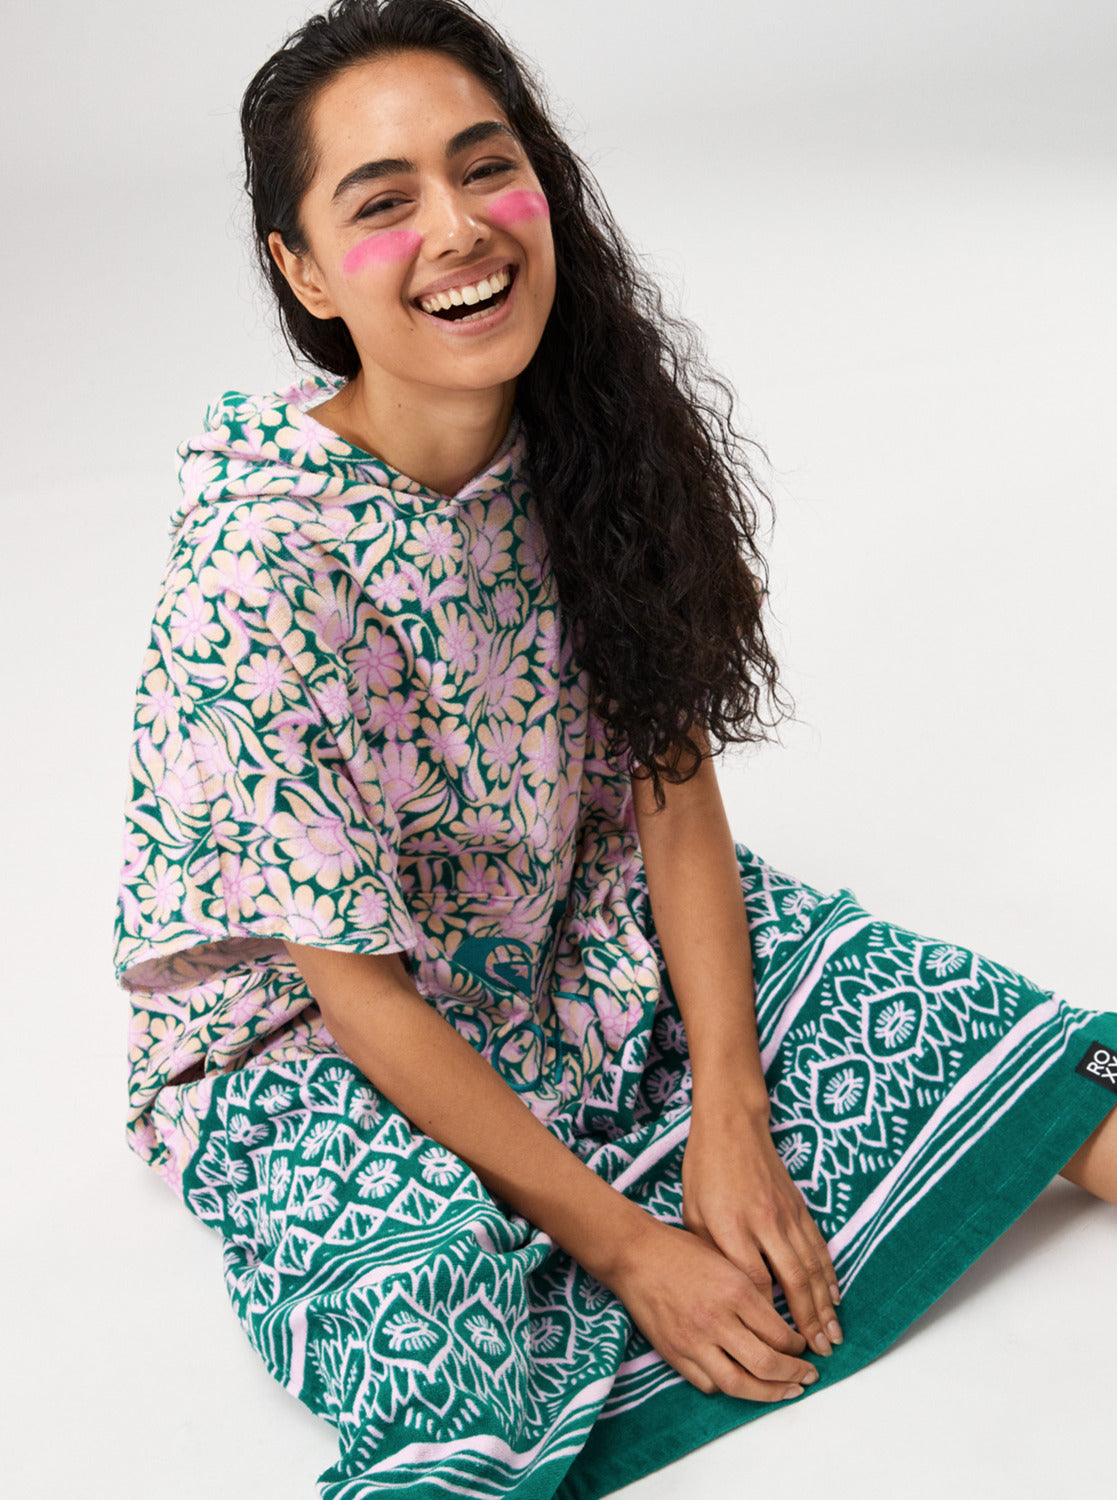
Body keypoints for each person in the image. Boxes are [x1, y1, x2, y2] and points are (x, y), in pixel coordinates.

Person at [110, 1, 1117, 1496]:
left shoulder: (588, 437)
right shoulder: (257, 560)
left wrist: (731, 1106)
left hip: (577, 927)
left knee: (988, 1034)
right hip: (323, 1032)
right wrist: (634, 1246)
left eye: (485, 168)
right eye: (382, 203)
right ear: (304, 272)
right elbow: (350, 984)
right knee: (435, 1335)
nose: (458, 228)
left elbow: (671, 788)